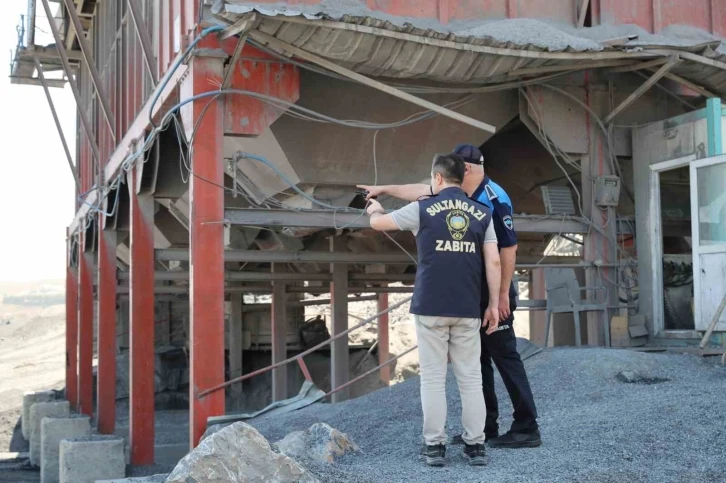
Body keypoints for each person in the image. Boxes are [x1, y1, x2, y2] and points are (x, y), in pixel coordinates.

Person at [359, 144, 541, 448]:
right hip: (469, 291)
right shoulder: (461, 193)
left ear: (464, 169)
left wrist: (501, 296)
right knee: (477, 363)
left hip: (493, 289)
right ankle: (485, 429)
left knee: (505, 356)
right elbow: (419, 189)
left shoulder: (494, 198)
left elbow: (507, 250)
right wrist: (384, 189)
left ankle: (527, 426)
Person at [366, 153, 501, 467]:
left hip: (430, 306)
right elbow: (493, 260)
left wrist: (374, 207)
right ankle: (476, 446)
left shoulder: (422, 209)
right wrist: (493, 304)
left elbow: (377, 224)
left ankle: (435, 447)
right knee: (470, 380)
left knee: (433, 380)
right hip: (468, 307)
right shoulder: (483, 212)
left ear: (437, 179)